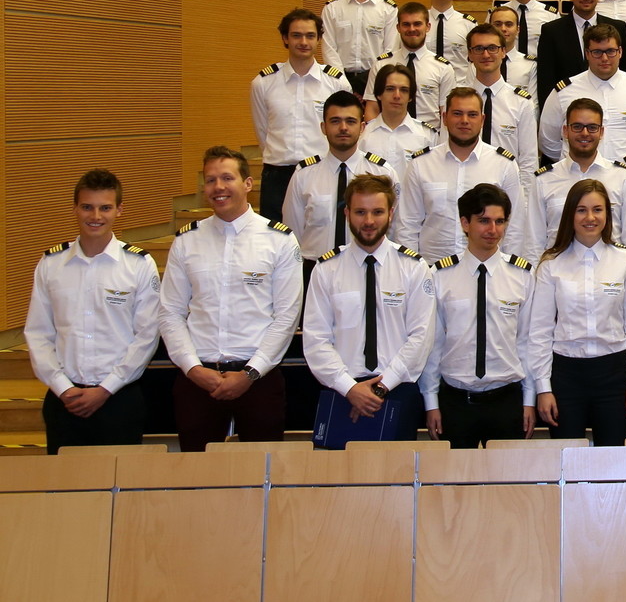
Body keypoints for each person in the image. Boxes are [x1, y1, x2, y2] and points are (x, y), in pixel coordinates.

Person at [159, 147, 302, 451]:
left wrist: (250, 373)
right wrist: (193, 369)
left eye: (227, 178)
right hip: (198, 379)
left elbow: (287, 317)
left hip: (258, 378)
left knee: (262, 471)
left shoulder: (279, 240)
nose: (218, 187)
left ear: (248, 183)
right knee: (196, 471)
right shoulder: (186, 241)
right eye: (211, 180)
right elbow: (170, 312)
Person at [24, 169, 161, 454]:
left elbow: (147, 335)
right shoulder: (51, 264)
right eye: (87, 207)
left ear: (119, 210)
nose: (95, 216)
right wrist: (63, 387)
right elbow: (38, 333)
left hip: (119, 398)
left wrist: (106, 388)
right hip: (65, 400)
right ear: (75, 208)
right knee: (65, 480)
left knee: (120, 479)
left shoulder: (138, 264)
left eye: (105, 208)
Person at [302, 174, 435, 441]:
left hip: (397, 390)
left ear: (391, 213)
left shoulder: (413, 267)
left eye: (377, 212)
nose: (369, 221)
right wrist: (350, 388)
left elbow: (421, 338)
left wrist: (382, 387)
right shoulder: (326, 269)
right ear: (347, 214)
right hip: (342, 389)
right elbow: (316, 340)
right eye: (360, 212)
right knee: (339, 468)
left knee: (400, 468)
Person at [528, 179, 626, 446]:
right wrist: (543, 387)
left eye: (597, 209)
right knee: (566, 456)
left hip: (614, 373)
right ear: (570, 214)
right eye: (581, 210)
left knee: (613, 457)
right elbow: (540, 331)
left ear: (608, 214)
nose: (590, 217)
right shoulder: (551, 264)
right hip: (565, 375)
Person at [422, 184, 537, 448]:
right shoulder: (440, 276)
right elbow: (432, 344)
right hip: (455, 401)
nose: (493, 230)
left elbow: (528, 343)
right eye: (484, 221)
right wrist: (431, 402)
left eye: (500, 221)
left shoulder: (522, 276)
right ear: (465, 223)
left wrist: (529, 399)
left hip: (506, 399)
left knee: (508, 474)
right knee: (455, 475)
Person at [395, 87, 527, 262]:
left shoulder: (504, 165)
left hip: (487, 268)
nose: (464, 121)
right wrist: (411, 269)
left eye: (472, 115)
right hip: (431, 268)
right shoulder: (421, 164)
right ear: (444, 118)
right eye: (457, 114)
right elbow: (407, 226)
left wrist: (508, 271)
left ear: (482, 120)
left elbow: (515, 228)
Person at [250, 8, 354, 221]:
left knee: (323, 234)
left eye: (310, 35)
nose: (304, 42)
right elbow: (262, 130)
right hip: (277, 176)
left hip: (321, 171)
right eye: (296, 35)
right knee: (275, 235)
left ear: (318, 39)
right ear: (285, 38)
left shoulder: (336, 83)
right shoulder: (263, 83)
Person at [283, 90, 398, 273]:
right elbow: (293, 233)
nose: (343, 128)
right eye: (335, 121)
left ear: (362, 127)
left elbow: (394, 228)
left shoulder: (382, 173)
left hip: (369, 268)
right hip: (314, 269)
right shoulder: (303, 175)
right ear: (323, 127)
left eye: (350, 121)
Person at [527, 98, 626, 260]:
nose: (584, 133)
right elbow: (534, 243)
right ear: (565, 131)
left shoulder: (622, 177)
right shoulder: (544, 180)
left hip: (609, 272)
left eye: (592, 127)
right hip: (558, 272)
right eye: (577, 126)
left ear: (601, 132)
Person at [538, 23, 626, 162]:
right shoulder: (565, 91)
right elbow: (548, 141)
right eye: (597, 52)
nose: (604, 58)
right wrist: (575, 163)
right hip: (579, 173)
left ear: (620, 52)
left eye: (610, 51)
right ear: (587, 54)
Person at [534, 0, 626, 106]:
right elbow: (546, 80)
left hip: (611, 103)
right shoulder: (551, 31)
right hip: (568, 106)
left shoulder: (618, 27)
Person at [463, 23, 539, 187]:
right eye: (478, 49)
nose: (486, 54)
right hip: (465, 187)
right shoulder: (458, 101)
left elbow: (528, 160)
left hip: (506, 189)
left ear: (503, 52)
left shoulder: (521, 102)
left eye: (492, 48)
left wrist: (524, 199)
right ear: (470, 54)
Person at [320, 0, 397, 99]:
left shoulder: (388, 9)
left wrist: (370, 84)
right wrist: (344, 86)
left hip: (376, 83)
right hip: (340, 83)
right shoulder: (332, 8)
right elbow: (329, 49)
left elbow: (390, 51)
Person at [370, 2, 454, 125]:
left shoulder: (443, 67)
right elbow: (372, 108)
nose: (412, 29)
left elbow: (446, 113)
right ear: (398, 28)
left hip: (428, 134)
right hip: (390, 133)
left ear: (428, 27)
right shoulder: (381, 65)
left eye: (417, 24)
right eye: (406, 24)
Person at [360, 65, 437, 184]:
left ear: (410, 97)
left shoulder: (428, 136)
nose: (397, 96)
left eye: (404, 90)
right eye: (390, 89)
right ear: (379, 94)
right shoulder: (363, 134)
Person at [426, 0, 477, 84]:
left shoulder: (468, 24)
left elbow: (476, 61)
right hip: (425, 88)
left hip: (458, 88)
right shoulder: (417, 23)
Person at [486, 5, 539, 89]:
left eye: (509, 24)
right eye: (498, 24)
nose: (503, 29)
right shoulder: (478, 64)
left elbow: (532, 98)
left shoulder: (530, 65)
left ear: (518, 29)